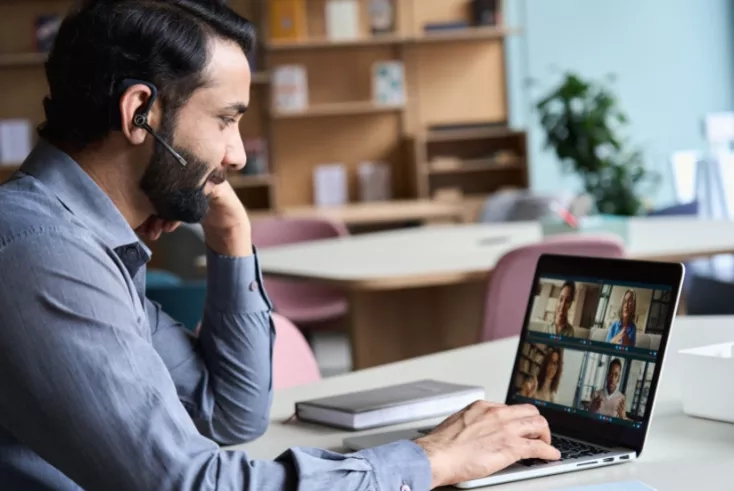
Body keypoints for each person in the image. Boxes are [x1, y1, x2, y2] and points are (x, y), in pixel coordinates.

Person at [0, 1, 560, 490]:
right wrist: (428, 459)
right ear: (139, 112)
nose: (238, 156)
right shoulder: (42, 253)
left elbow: (231, 415)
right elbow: (188, 483)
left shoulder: (83, 243)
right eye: (226, 120)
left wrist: (231, 236)